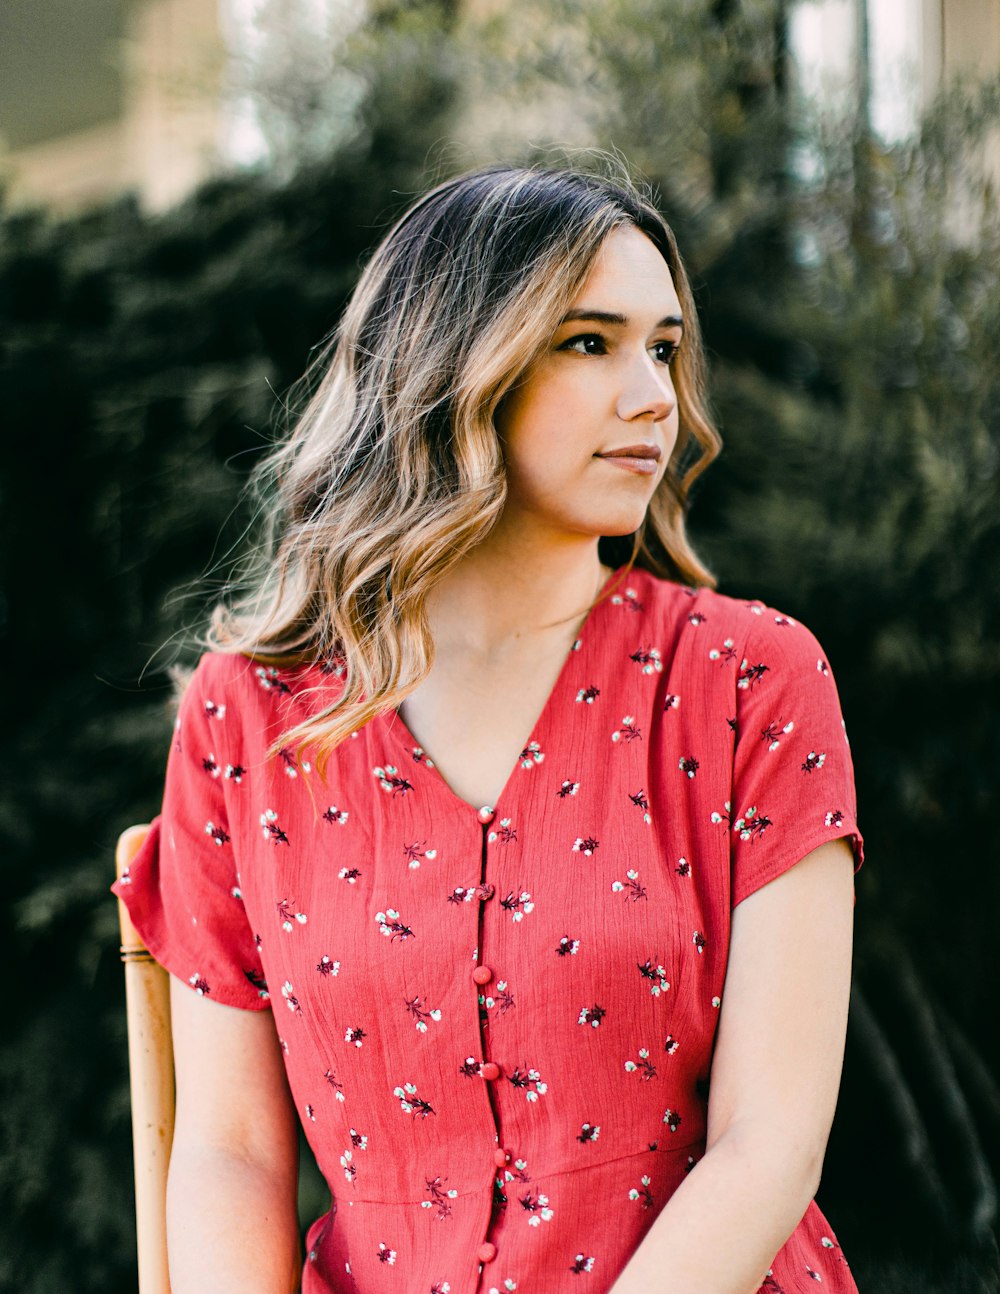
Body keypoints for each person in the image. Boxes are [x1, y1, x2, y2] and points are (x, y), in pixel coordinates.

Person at [113, 159, 865, 1294]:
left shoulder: (749, 679)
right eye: (588, 341)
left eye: (663, 347)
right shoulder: (249, 716)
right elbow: (229, 1151)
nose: (655, 394)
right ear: (453, 370)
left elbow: (770, 1143)